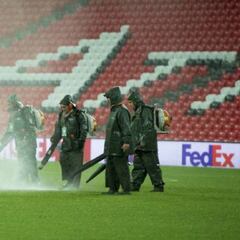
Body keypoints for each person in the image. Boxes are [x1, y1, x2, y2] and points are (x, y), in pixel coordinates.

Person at [44, 95, 87, 189]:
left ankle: (75, 186)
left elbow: (84, 129)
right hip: (65, 144)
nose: (62, 109)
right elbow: (59, 128)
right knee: (63, 161)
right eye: (61, 107)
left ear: (70, 105)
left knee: (76, 166)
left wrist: (80, 142)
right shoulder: (61, 115)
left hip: (76, 145)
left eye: (64, 106)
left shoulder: (79, 114)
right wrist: (54, 137)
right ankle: (68, 182)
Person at [127, 90, 165, 192]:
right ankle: (135, 184)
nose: (129, 105)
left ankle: (158, 185)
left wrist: (141, 142)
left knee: (151, 165)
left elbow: (147, 127)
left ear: (135, 101)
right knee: (138, 166)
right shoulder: (138, 112)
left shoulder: (146, 110)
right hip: (140, 145)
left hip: (146, 145)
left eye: (130, 102)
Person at [0, 94, 39, 184]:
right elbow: (10, 132)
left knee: (29, 161)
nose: (8, 105)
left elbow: (10, 133)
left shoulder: (19, 114)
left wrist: (1, 144)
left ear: (13, 103)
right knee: (26, 161)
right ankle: (29, 182)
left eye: (10, 103)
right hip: (25, 143)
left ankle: (33, 182)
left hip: (26, 143)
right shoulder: (23, 112)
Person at [103, 86, 132, 195]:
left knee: (121, 168)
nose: (108, 100)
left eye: (109, 98)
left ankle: (126, 189)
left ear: (114, 98)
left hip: (118, 145)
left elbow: (126, 128)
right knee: (110, 168)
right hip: (111, 145)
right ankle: (112, 188)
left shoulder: (122, 111)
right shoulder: (115, 110)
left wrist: (126, 142)